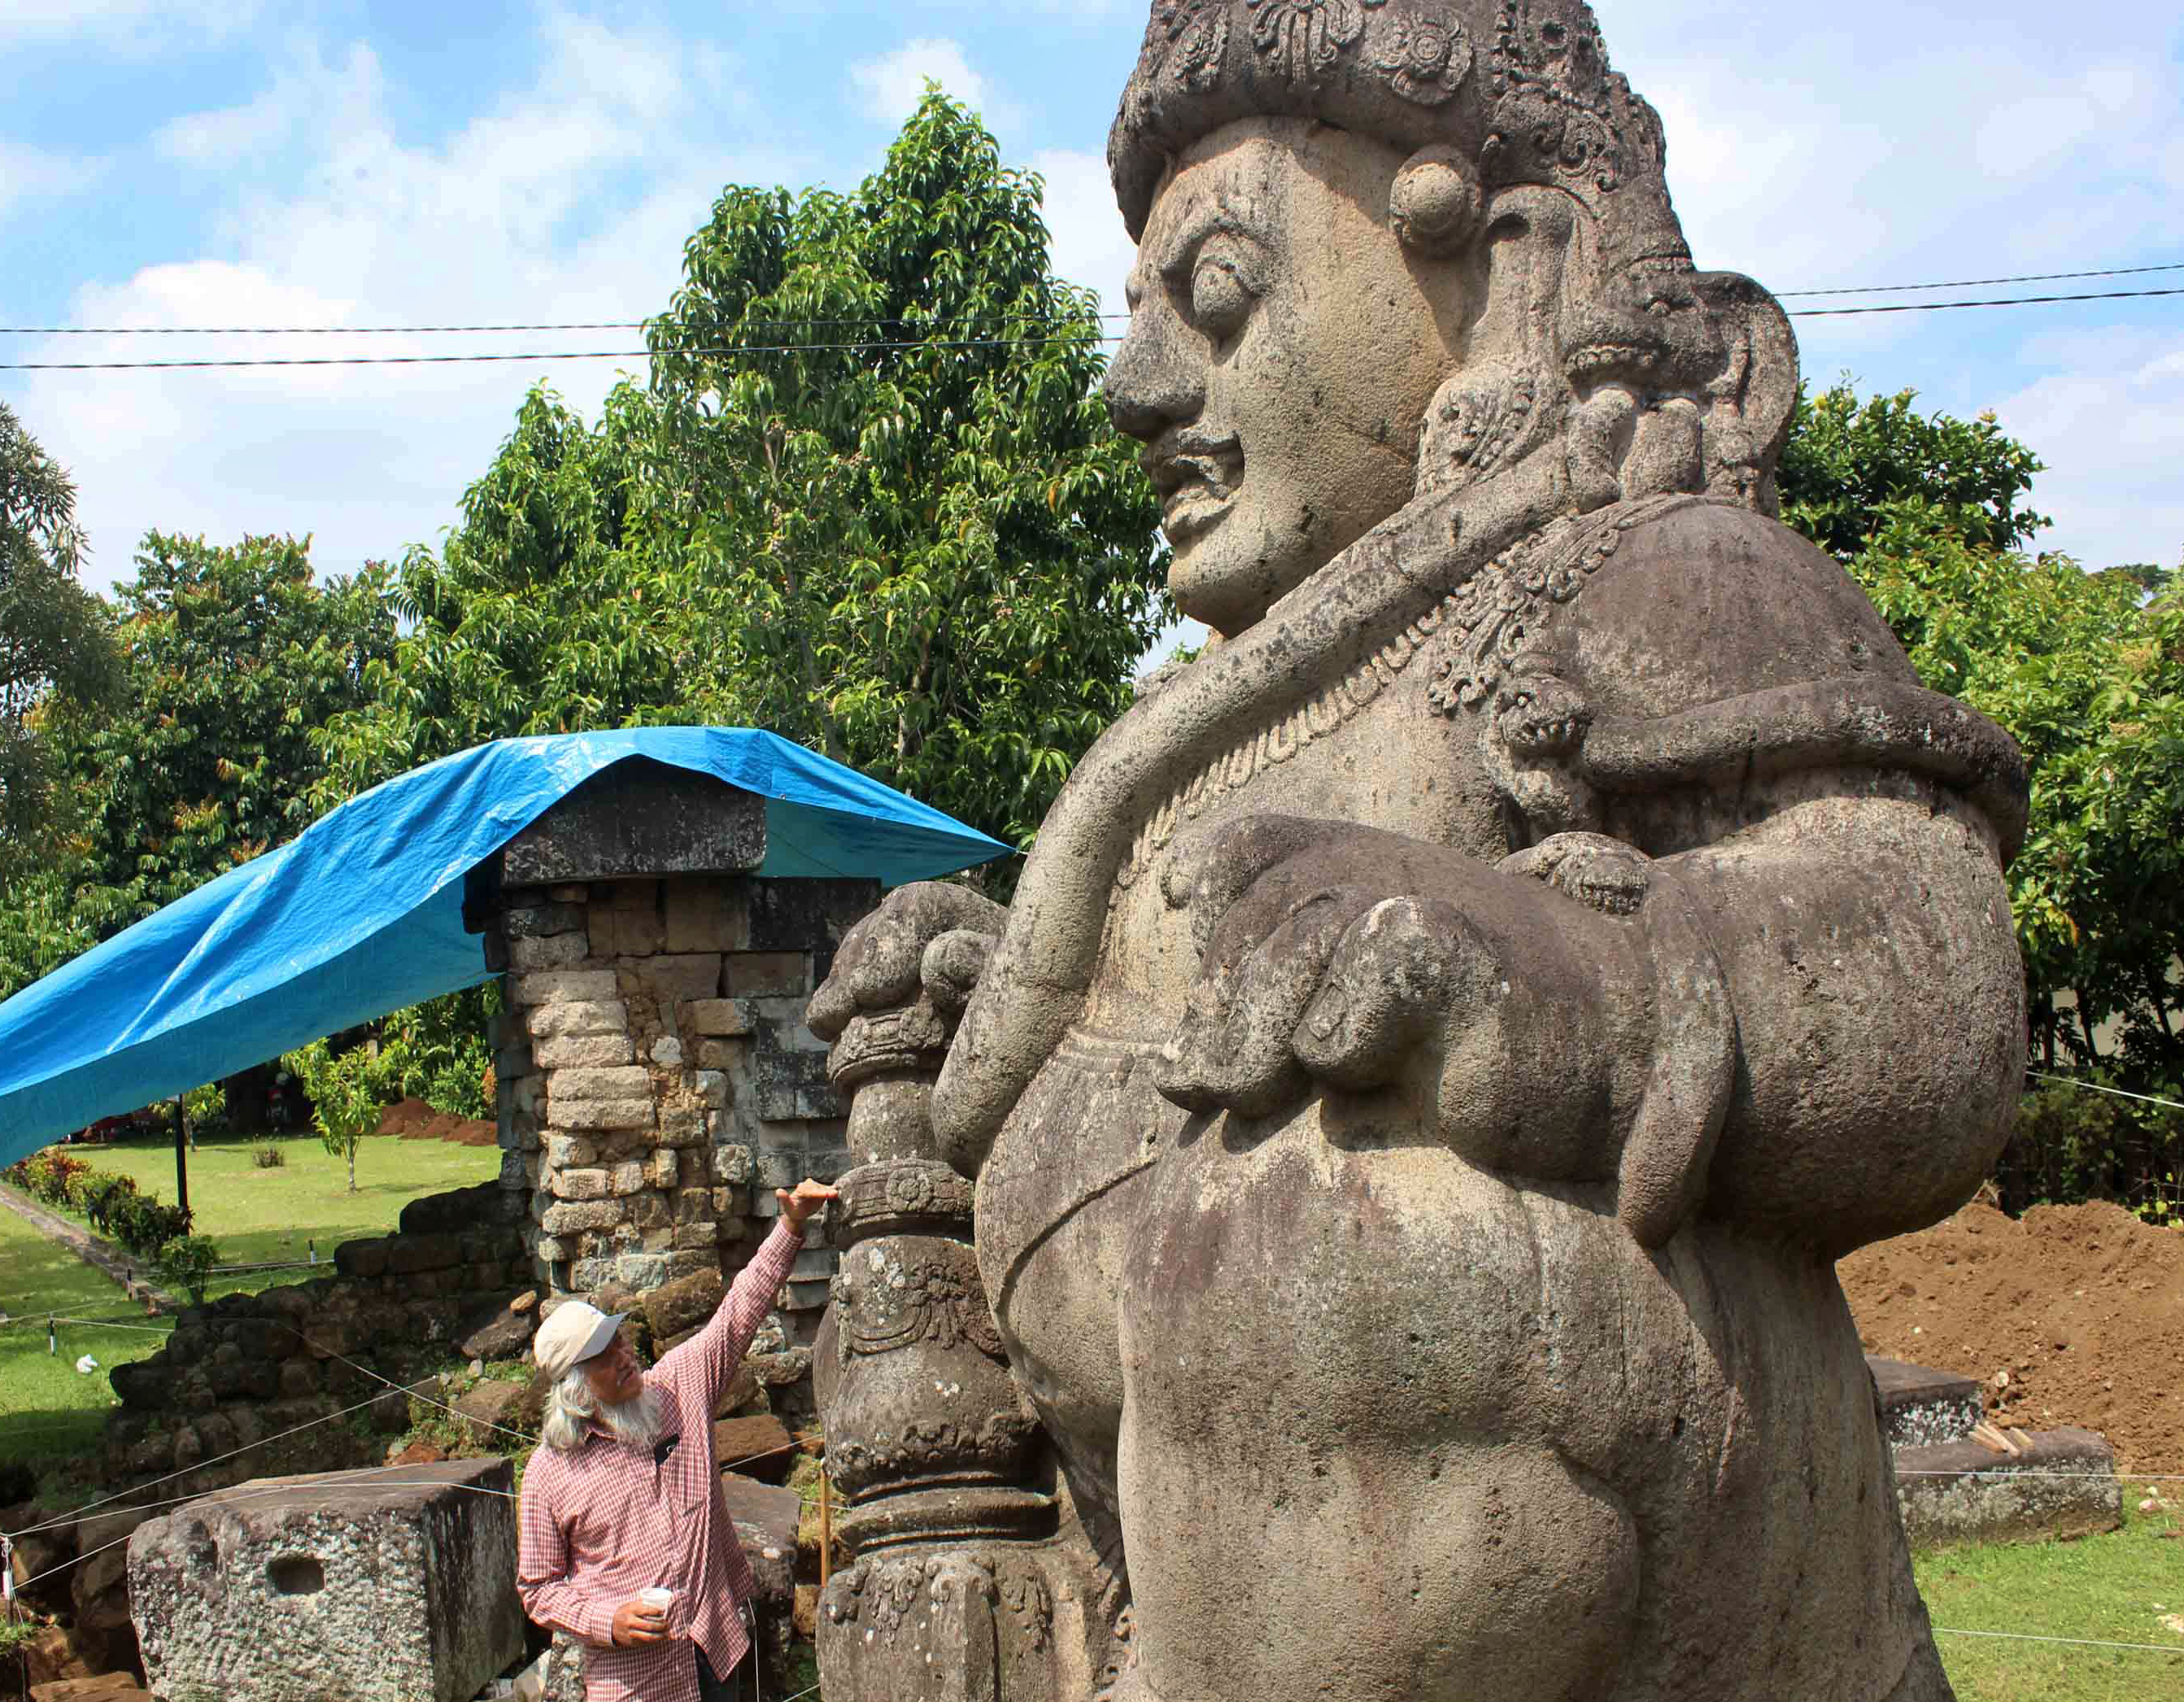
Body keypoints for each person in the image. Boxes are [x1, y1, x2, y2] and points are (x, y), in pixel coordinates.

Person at [804, 3, 2028, 1697]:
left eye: (1219, 298)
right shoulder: (1189, 741)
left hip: (1633, 1595)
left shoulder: (1647, 575)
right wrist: (982, 986)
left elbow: (1932, 986)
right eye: (1139, 317)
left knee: (1320, 1243)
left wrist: (1587, 986)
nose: (1139, 386)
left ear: (1498, 257)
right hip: (1182, 1598)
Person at [517, 1179, 839, 1702]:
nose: (625, 1356)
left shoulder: (678, 1387)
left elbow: (738, 1315)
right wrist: (609, 1619)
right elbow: (538, 1588)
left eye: (619, 1340)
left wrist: (792, 1225)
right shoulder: (550, 1475)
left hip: (715, 1646)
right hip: (633, 1684)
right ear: (577, 1388)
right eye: (604, 1356)